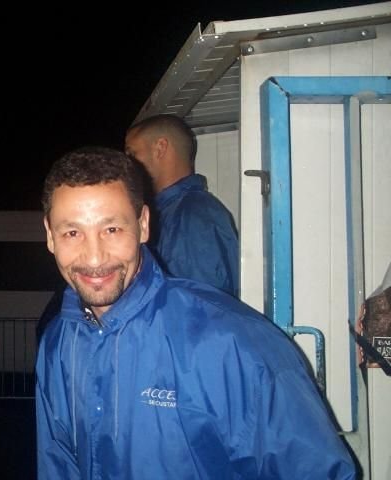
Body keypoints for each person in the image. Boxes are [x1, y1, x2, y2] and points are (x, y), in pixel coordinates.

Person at [36, 147, 356, 479]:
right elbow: (57, 465)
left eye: (112, 229)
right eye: (72, 233)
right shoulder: (58, 343)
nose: (94, 257)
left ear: (143, 225)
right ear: (50, 236)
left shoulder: (235, 342)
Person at [125, 114, 239, 296]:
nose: (128, 164)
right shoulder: (173, 211)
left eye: (132, 154)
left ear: (160, 148)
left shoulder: (192, 217)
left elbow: (199, 304)